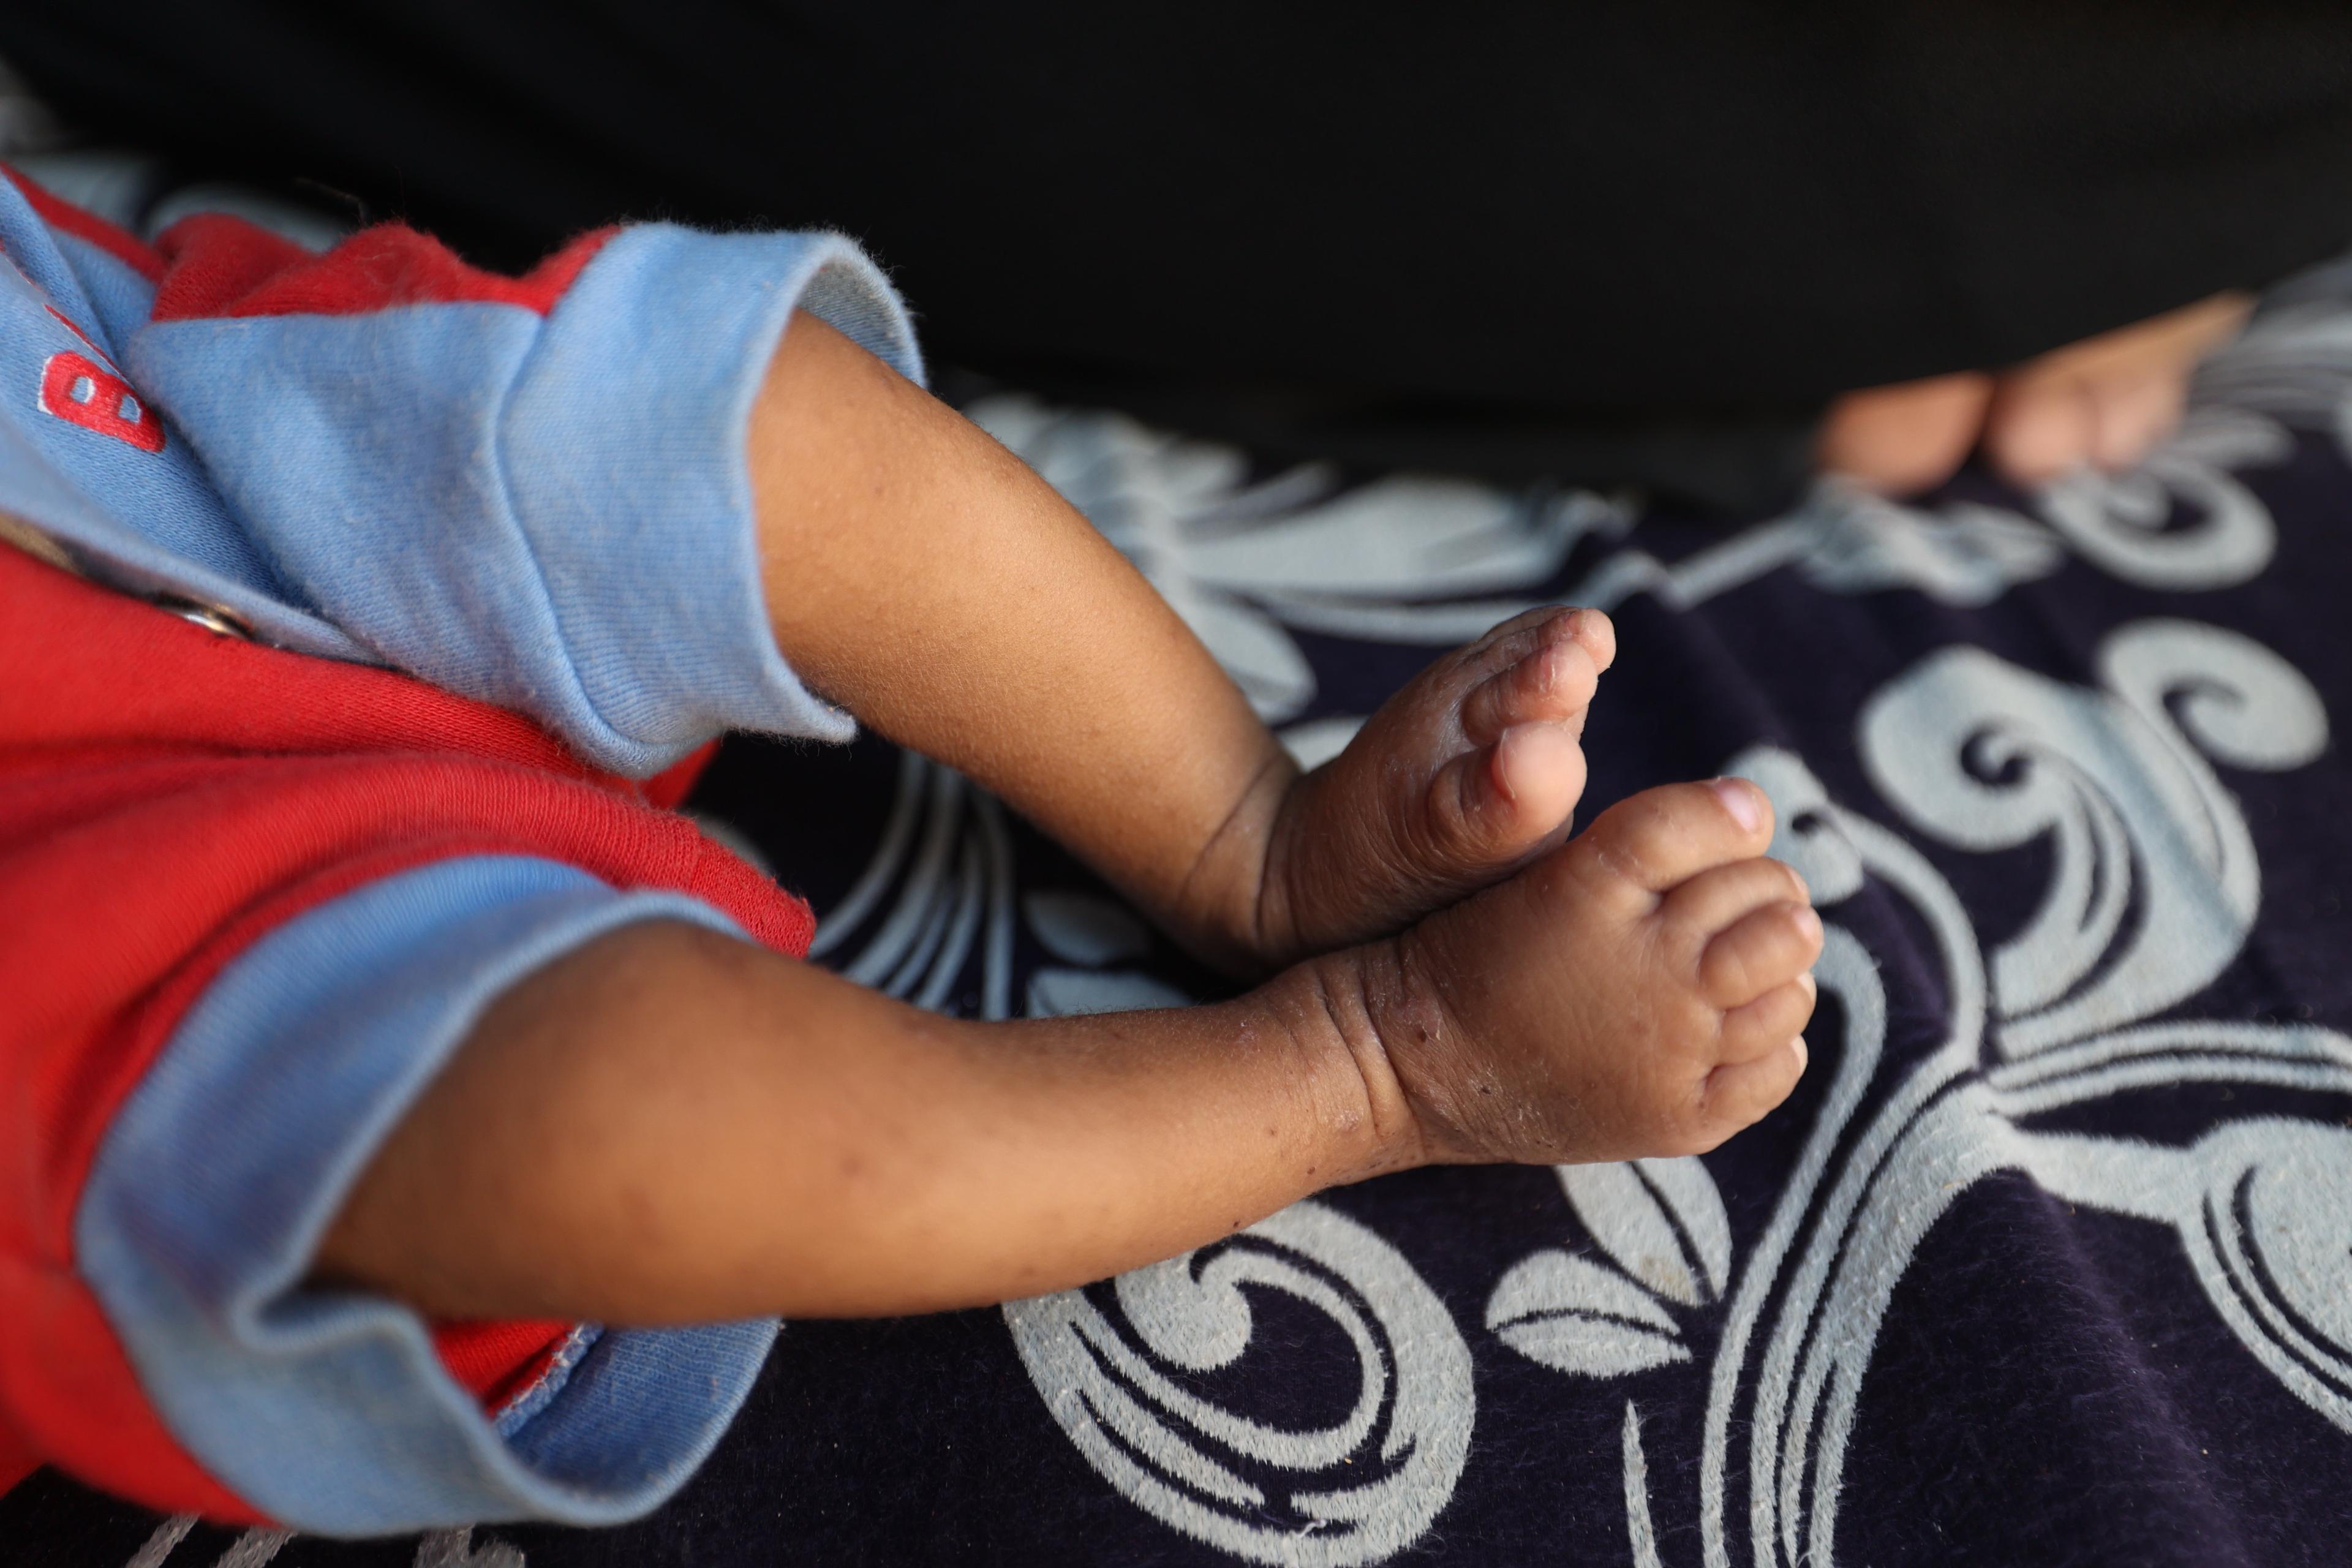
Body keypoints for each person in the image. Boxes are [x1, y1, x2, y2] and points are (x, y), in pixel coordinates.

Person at [0, 170, 1817, 1531]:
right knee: (617, 1133)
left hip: (160, 467)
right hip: (104, 943)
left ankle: (1246, 836)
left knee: (703, 420)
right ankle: (1379, 1062)